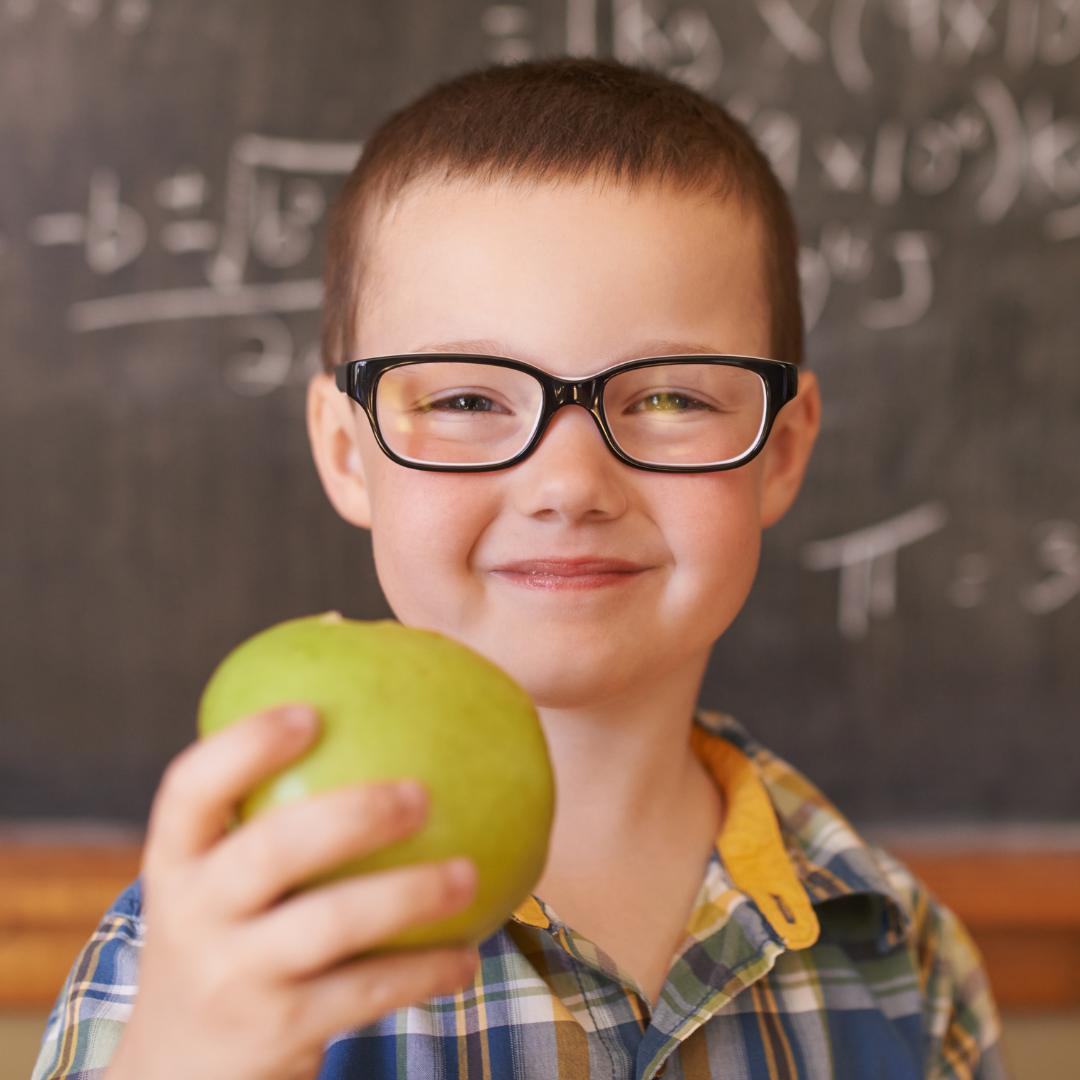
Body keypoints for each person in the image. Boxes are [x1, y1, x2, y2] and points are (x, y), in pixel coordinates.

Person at [33, 56, 1008, 1080]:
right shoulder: (214, 955)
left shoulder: (898, 947)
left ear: (782, 447)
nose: (569, 484)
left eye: (670, 399)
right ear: (344, 450)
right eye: (465, 401)